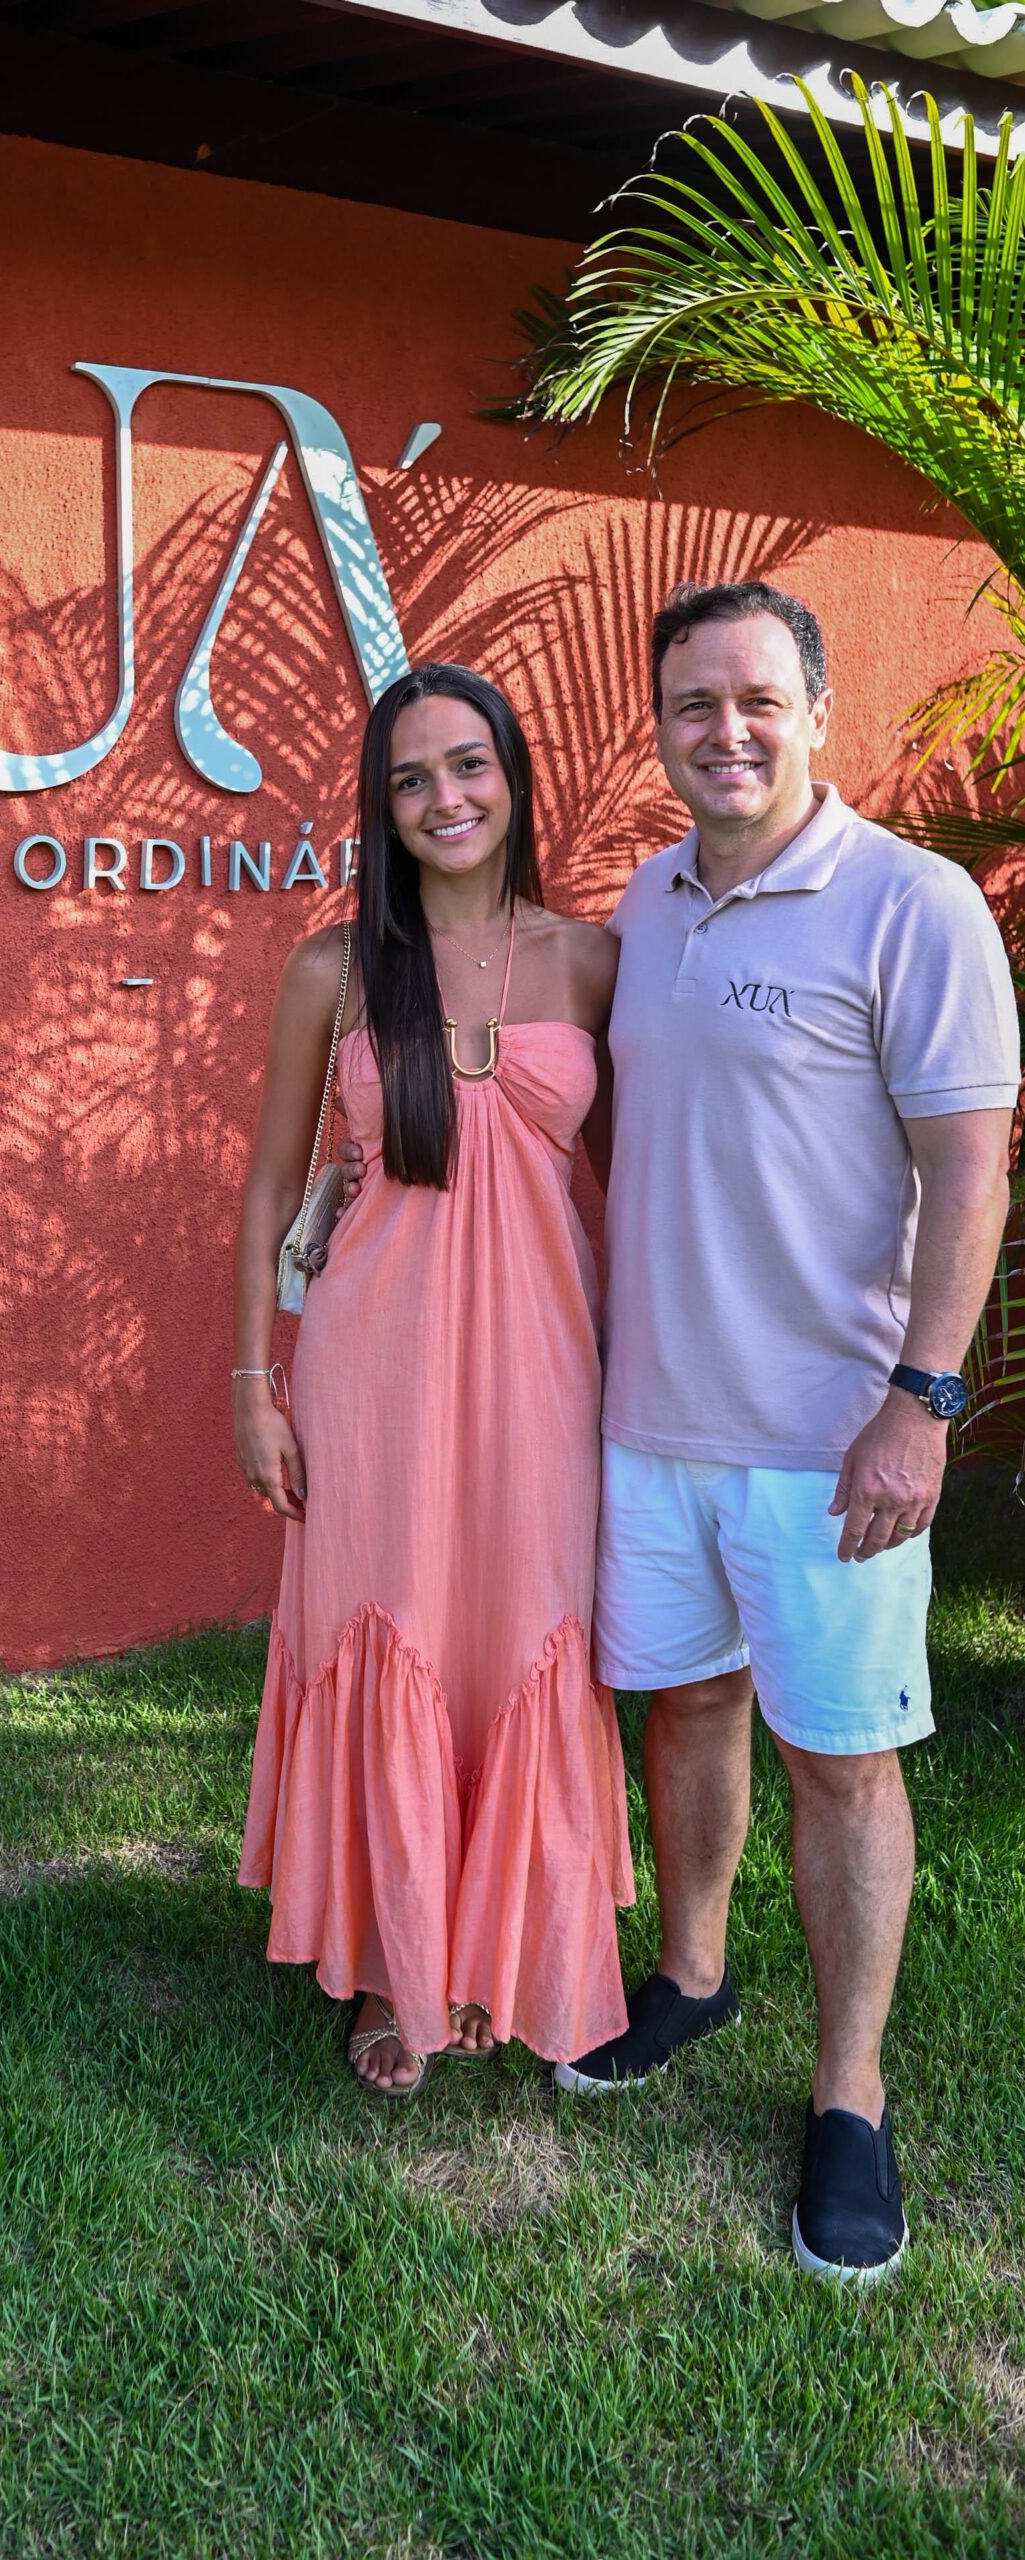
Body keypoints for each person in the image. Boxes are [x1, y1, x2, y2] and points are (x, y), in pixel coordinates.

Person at [552, 581, 1019, 2283]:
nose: (725, 731)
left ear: (817, 713)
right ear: (660, 728)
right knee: (683, 1705)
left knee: (838, 1756)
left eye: (757, 699)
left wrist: (921, 1401)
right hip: (651, 1419)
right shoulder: (648, 898)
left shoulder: (910, 903)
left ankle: (847, 2096)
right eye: (692, 704)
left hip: (830, 1440)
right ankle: (689, 1978)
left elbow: (968, 1166)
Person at [231, 662, 635, 2096]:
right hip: (372, 1369)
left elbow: (633, 1189)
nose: (444, 798)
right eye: (410, 779)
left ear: (512, 778)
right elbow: (270, 1188)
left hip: (542, 1373)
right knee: (388, 1622)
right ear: (381, 806)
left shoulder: (592, 962)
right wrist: (253, 1381)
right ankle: (389, 1964)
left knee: (521, 1628)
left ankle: (503, 1949)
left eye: (468, 766)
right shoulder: (334, 971)